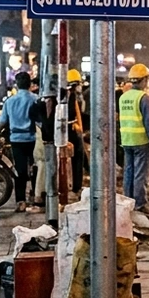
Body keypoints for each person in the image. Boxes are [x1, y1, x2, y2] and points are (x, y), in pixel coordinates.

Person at [119, 64, 149, 212]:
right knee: (140, 174)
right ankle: (139, 204)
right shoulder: (143, 97)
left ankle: (128, 202)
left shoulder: (124, 97)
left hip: (127, 140)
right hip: (141, 141)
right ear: (143, 80)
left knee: (128, 172)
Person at [0, 72, 38, 212]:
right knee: (35, 167)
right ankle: (35, 196)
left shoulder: (9, 101)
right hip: (33, 138)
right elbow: (40, 121)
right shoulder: (36, 99)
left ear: (16, 84)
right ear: (30, 84)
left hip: (16, 139)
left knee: (19, 170)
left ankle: (20, 201)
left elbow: (2, 122)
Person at [66, 69, 87, 200]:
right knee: (78, 159)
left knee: (78, 159)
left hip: (70, 129)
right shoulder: (71, 95)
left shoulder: (67, 94)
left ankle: (75, 186)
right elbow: (74, 113)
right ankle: (76, 187)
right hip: (72, 130)